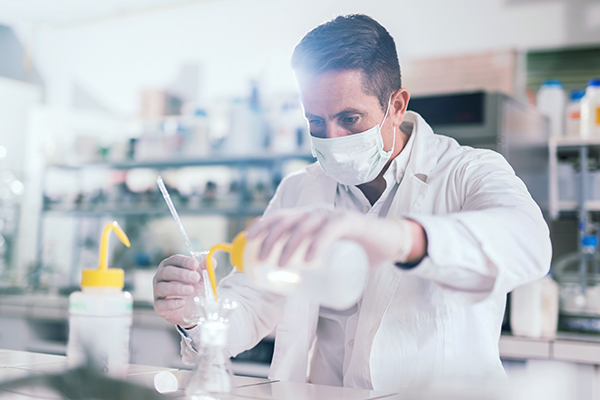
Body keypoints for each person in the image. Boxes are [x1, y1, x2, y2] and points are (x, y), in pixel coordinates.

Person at [153, 14, 551, 391]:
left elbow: (529, 244)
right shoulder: (297, 192)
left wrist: (398, 239)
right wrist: (193, 310)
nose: (332, 138)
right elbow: (252, 304)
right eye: (315, 122)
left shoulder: (467, 171)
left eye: (350, 119)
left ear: (395, 107)